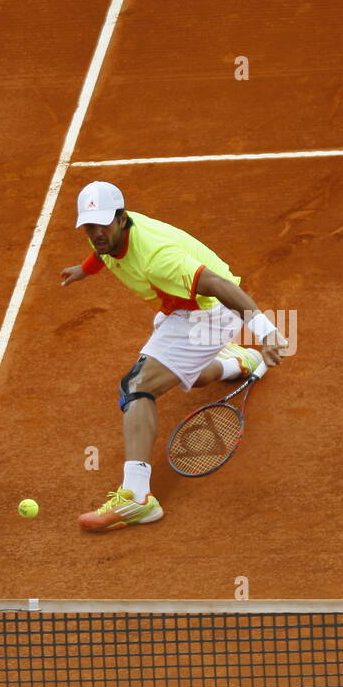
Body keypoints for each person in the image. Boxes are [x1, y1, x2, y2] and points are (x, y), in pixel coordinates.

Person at [60, 180, 287, 531]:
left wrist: (268, 332)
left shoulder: (157, 257)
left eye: (103, 224)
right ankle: (238, 363)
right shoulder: (108, 235)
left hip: (207, 313)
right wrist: (84, 269)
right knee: (187, 376)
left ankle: (138, 499)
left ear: (121, 218)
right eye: (89, 226)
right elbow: (104, 250)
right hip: (179, 306)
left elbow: (220, 286)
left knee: (136, 387)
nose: (96, 233)